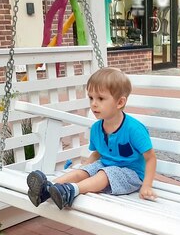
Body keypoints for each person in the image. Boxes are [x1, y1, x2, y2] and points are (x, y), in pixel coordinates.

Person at [26, 67, 157, 210]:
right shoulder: (96, 128)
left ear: (119, 102)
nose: (94, 103)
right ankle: (47, 188)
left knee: (105, 173)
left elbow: (150, 158)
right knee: (82, 172)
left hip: (131, 175)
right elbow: (97, 153)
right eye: (91, 98)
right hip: (106, 167)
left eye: (100, 98)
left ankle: (71, 191)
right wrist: (85, 167)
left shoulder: (134, 129)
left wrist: (147, 185)